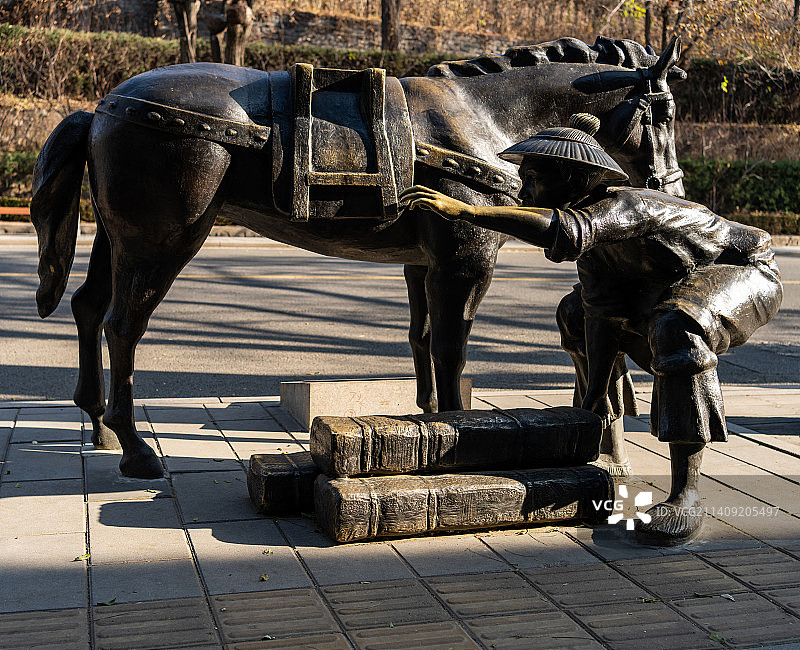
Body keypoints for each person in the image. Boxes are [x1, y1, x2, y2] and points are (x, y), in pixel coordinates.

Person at [400, 113, 783, 545]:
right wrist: (594, 391)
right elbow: (600, 315)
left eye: (533, 180)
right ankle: (607, 447)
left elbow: (565, 232)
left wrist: (469, 210)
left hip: (741, 269)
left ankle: (685, 493)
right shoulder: (593, 246)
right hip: (662, 283)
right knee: (575, 313)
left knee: (678, 326)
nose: (523, 193)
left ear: (571, 177)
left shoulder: (627, 206)